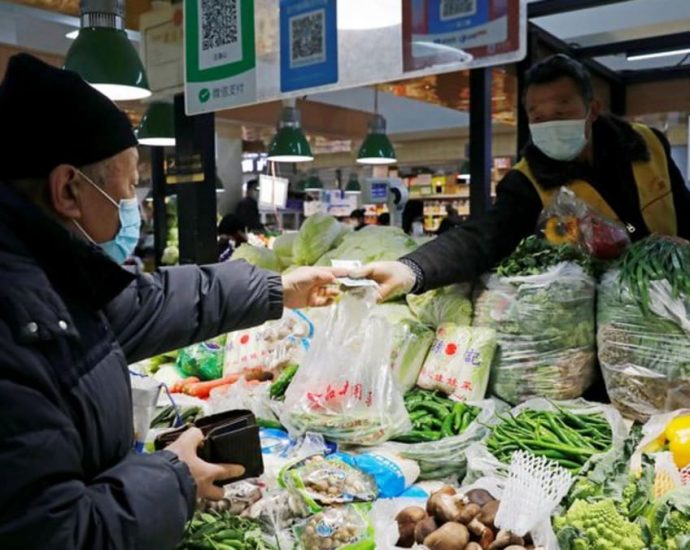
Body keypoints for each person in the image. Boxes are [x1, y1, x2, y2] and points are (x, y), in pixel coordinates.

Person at [0, 54, 342, 549]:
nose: (133, 204)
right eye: (127, 184)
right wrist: (176, 477)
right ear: (68, 189)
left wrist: (277, 290)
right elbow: (58, 535)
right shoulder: (15, 319)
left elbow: (146, 305)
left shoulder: (51, 278)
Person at [355, 54, 690, 300]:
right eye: (538, 115)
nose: (550, 123)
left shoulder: (647, 143)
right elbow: (481, 238)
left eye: (561, 111)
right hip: (605, 316)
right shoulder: (526, 182)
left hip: (680, 289)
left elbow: (683, 207)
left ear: (593, 109)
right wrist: (411, 270)